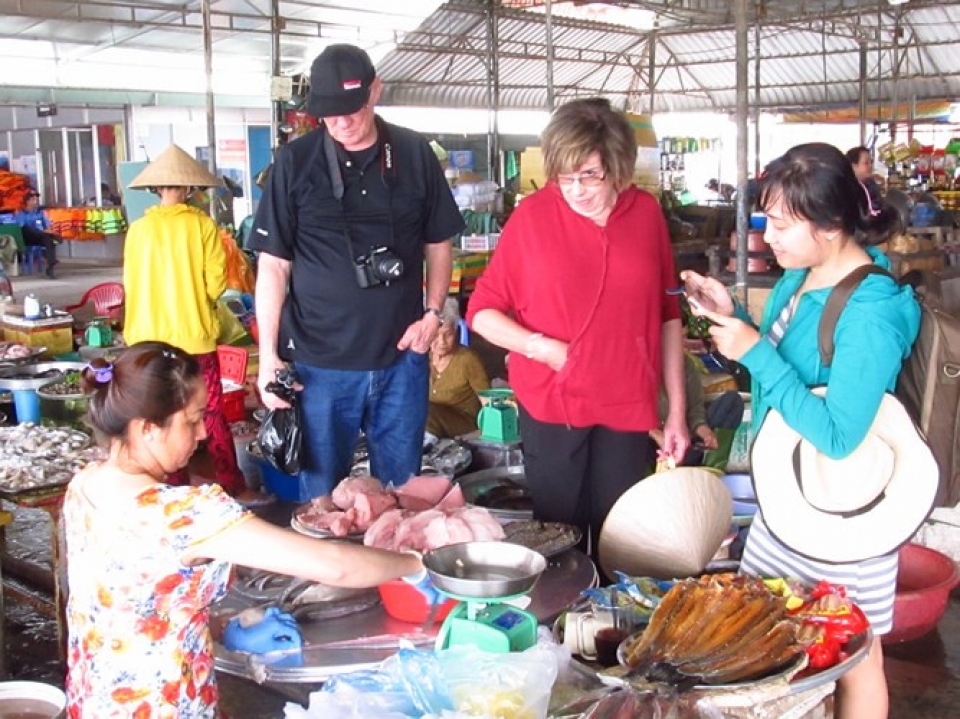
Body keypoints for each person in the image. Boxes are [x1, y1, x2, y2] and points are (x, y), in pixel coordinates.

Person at [62, 342, 434, 717]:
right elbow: (336, 564)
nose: (203, 434)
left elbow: (132, 603)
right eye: (192, 421)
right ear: (147, 430)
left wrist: (220, 628)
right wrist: (413, 564)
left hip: (98, 698)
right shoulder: (182, 514)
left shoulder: (84, 485)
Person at [682, 142, 920, 719]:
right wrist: (734, 316)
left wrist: (755, 352)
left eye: (784, 225)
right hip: (786, 496)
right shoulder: (801, 277)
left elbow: (840, 435)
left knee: (854, 655)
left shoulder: (872, 309)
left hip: (842, 511)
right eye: (768, 220)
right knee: (771, 633)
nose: (769, 238)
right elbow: (789, 359)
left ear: (833, 224)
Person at [466, 97, 689, 556]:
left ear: (618, 166)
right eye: (565, 176)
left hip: (628, 403)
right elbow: (482, 313)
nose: (577, 190)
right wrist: (540, 347)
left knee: (621, 537)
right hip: (553, 404)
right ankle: (564, 626)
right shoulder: (532, 219)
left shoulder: (645, 215)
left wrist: (678, 412)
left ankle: (612, 624)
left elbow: (668, 317)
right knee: (561, 538)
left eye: (591, 175)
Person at [249, 44, 464, 499]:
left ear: (375, 91)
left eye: (352, 108)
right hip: (318, 364)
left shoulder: (413, 152)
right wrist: (268, 355)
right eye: (329, 114)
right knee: (320, 496)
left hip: (402, 357)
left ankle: (393, 568)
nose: (342, 122)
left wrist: (432, 314)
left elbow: (439, 242)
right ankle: (332, 573)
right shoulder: (296, 162)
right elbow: (273, 264)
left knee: (401, 492)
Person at [124, 144, 266, 506]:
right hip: (194, 338)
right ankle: (234, 487)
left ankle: (173, 491)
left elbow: (132, 283)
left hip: (146, 341)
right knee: (212, 413)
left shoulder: (138, 230)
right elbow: (215, 286)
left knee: (160, 414)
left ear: (156, 189)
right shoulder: (203, 227)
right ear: (189, 188)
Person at [651, 353, 744, 467]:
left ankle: (711, 463)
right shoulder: (633, 366)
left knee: (732, 401)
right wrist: (657, 435)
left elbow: (695, 412)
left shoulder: (685, 363)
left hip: (685, 439)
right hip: (652, 444)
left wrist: (706, 433)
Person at [426, 298, 490, 442]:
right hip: (431, 420)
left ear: (456, 331)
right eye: (435, 335)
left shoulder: (467, 359)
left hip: (463, 421)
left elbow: (487, 400)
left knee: (423, 411)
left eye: (448, 334)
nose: (442, 342)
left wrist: (486, 431)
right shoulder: (423, 358)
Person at [13, 189, 59, 278]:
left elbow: (47, 225)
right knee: (27, 228)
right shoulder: (21, 213)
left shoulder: (40, 213)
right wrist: (43, 231)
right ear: (27, 201)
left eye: (36, 199)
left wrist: (47, 230)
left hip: (40, 237)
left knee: (48, 239)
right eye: (33, 199)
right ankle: (53, 239)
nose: (36, 201)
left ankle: (51, 266)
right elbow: (21, 228)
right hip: (27, 238)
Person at [845, 145, 882, 211]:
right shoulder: (848, 190)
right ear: (854, 167)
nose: (871, 166)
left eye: (871, 162)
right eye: (866, 163)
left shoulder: (870, 183)